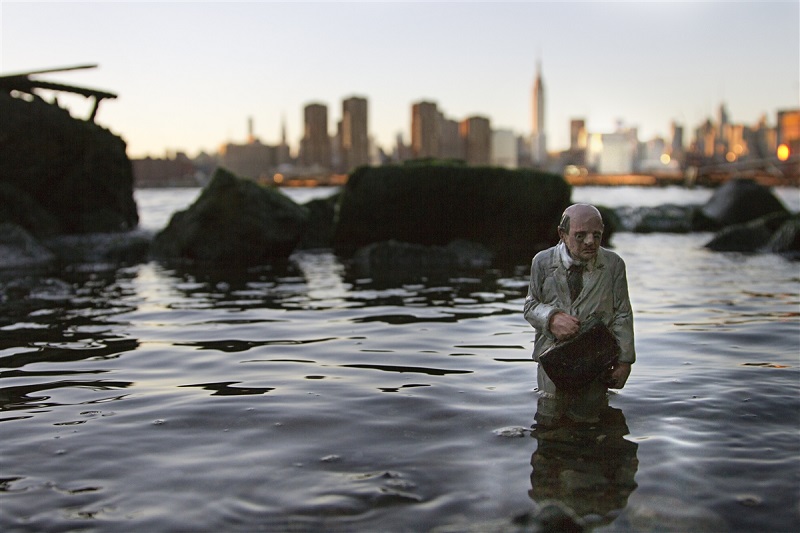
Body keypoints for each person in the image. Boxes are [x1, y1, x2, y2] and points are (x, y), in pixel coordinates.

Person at [524, 203, 635, 424]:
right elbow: (530, 306)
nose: (590, 242)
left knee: (593, 420)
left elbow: (622, 313)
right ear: (562, 234)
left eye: (597, 235)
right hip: (552, 362)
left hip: (596, 362)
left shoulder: (613, 265)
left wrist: (624, 362)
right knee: (549, 422)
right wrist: (551, 318)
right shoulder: (542, 262)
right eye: (580, 235)